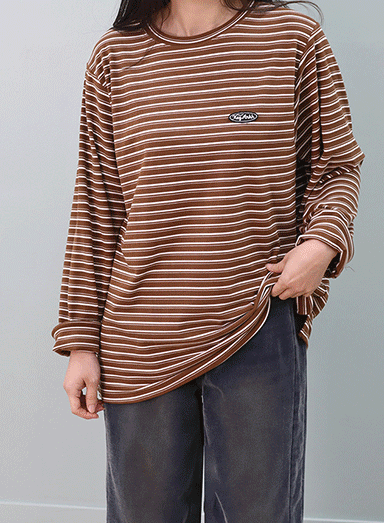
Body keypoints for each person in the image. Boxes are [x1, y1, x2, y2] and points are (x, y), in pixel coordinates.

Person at [52, 0, 365, 521]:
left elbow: (337, 167)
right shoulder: (115, 57)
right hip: (140, 336)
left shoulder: (292, 38)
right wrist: (81, 341)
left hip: (256, 320)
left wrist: (321, 244)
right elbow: (97, 207)